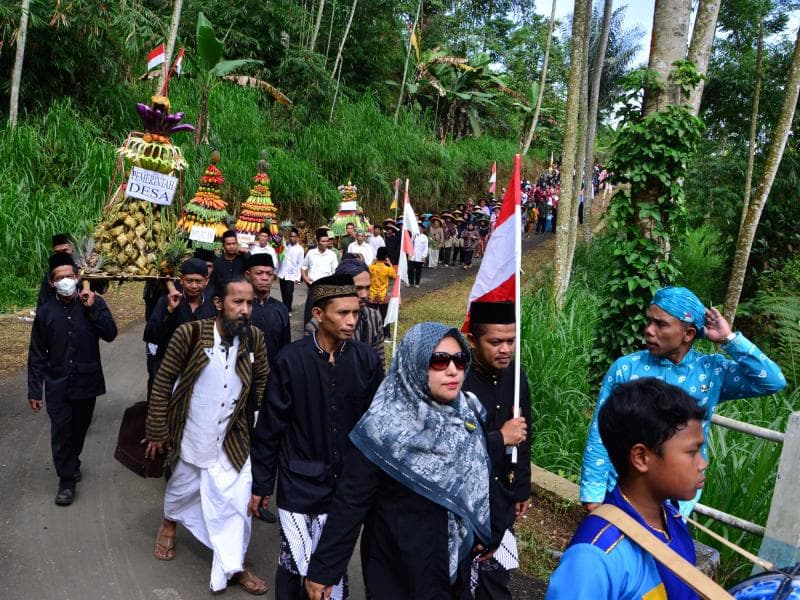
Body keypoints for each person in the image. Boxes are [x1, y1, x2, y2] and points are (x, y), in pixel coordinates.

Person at [304, 323, 492, 599]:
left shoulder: (467, 412)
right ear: (414, 364)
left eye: (460, 359)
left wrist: (479, 528)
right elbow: (350, 503)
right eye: (439, 360)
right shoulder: (382, 429)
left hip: (452, 566)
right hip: (397, 565)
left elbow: (480, 475)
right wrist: (324, 570)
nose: (453, 370)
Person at [581, 286, 786, 516]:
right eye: (649, 321)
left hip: (675, 497)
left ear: (688, 334)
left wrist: (729, 340)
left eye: (661, 324)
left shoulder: (711, 372)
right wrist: (593, 492)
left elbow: (772, 381)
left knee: (662, 548)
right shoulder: (626, 368)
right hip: (622, 488)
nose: (649, 330)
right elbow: (600, 429)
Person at [249, 275, 383, 600]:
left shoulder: (366, 360)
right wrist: (262, 484)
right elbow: (270, 428)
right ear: (319, 315)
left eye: (355, 313)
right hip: (299, 484)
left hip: (347, 487)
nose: (352, 321)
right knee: (294, 563)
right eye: (342, 313)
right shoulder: (290, 360)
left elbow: (377, 424)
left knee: (330, 565)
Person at [145, 277, 270, 595]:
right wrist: (158, 429)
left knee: (237, 503)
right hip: (193, 432)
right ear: (218, 304)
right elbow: (163, 381)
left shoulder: (254, 338)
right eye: (237, 303)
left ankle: (234, 564)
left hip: (234, 437)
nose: (245, 310)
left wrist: (262, 431)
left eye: (249, 304)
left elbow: (263, 383)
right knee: (182, 489)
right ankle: (170, 523)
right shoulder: (190, 333)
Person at [546, 379, 707, 600]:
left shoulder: (671, 518)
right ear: (641, 457)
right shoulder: (593, 558)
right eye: (692, 452)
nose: (702, 463)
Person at [28, 253, 118, 506]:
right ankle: (66, 481)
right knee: (60, 432)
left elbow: (110, 334)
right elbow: (36, 353)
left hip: (86, 381)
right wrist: (35, 390)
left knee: (79, 430)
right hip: (57, 383)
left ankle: (73, 460)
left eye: (70, 276)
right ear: (51, 283)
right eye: (60, 278)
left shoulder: (93, 302)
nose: (66, 281)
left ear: (78, 277)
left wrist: (93, 310)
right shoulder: (45, 312)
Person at [460, 301, 531, 599]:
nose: (505, 349)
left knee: (495, 585)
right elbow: (451, 450)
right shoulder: (457, 379)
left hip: (501, 499)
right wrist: (499, 438)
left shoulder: (516, 377)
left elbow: (526, 435)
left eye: (511, 341)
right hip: (461, 503)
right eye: (496, 342)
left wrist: (522, 488)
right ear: (473, 341)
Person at [143, 258, 216, 399]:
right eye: (189, 281)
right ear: (181, 280)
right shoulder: (165, 301)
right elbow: (151, 335)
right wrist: (169, 310)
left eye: (198, 281)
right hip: (168, 371)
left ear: (206, 281)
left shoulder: (212, 306)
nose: (193, 286)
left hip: (199, 374)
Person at [245, 253, 290, 370]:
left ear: (274, 277)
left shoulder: (281, 309)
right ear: (248, 275)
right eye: (259, 273)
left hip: (273, 372)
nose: (265, 278)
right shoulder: (238, 307)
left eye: (269, 274)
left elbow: (285, 347)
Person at [300, 228, 339, 326]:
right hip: (313, 286)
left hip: (327, 288)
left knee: (325, 312)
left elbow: (335, 272)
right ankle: (309, 332)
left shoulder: (332, 255)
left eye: (327, 241)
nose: (325, 243)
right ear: (317, 241)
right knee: (310, 311)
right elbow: (304, 267)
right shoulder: (311, 253)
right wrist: (305, 278)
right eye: (323, 241)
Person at [368, 247, 396, 338]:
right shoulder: (387, 269)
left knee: (371, 316)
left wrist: (373, 262)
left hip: (372, 295)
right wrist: (390, 263)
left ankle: (372, 334)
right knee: (384, 316)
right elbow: (395, 275)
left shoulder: (372, 267)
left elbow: (366, 271)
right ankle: (386, 334)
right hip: (382, 296)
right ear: (386, 257)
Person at [277, 227, 304, 315]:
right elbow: (280, 258)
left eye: (294, 236)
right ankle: (285, 308)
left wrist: (298, 277)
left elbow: (300, 264)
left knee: (289, 293)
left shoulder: (300, 249)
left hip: (292, 275)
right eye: (291, 236)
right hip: (282, 273)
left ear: (297, 237)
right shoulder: (285, 247)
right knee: (283, 292)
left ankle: (288, 310)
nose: (292, 238)